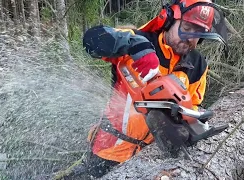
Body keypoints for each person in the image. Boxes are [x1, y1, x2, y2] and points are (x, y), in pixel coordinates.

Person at [61, 0, 228, 179]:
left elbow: (192, 107)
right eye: (187, 28)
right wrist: (134, 44)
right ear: (170, 19)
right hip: (109, 151)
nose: (190, 38)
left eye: (198, 32)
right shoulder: (138, 39)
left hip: (150, 159)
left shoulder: (198, 65)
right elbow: (91, 40)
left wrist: (184, 128)